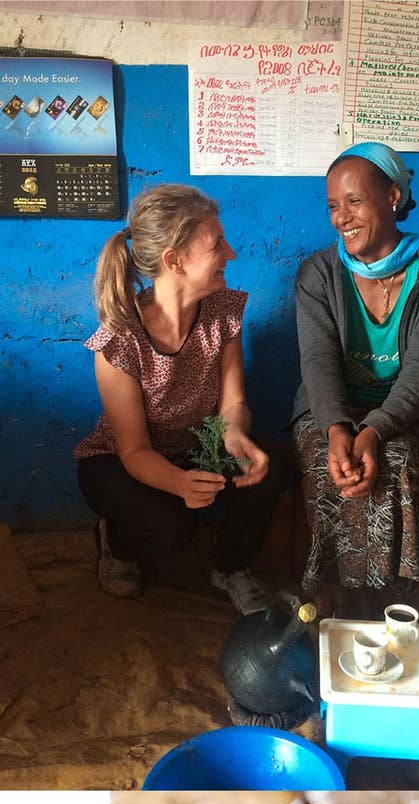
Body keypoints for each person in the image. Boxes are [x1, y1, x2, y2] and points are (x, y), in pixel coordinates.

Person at [74, 183, 286, 611]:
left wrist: (236, 438)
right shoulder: (119, 340)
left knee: (272, 467)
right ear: (175, 260)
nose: (231, 253)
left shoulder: (223, 310)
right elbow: (134, 450)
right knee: (172, 528)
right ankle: (117, 542)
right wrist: (178, 484)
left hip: (194, 447)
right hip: (120, 460)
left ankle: (230, 566)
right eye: (217, 244)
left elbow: (232, 404)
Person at [291, 141, 419, 618]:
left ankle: (389, 595)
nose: (341, 217)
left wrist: (374, 430)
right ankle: (334, 593)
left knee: (395, 459)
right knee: (326, 460)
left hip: (402, 413)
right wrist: (340, 429)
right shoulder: (318, 275)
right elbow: (318, 362)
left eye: (354, 201)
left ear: (391, 197)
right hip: (328, 409)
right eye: (332, 205)